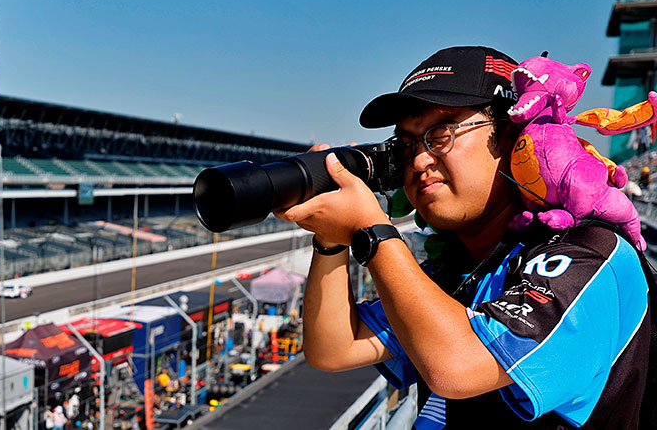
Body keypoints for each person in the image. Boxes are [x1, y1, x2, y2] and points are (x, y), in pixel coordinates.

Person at [276, 46, 651, 428]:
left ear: (511, 136)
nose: (420, 160)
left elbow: (459, 368)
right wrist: (331, 239)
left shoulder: (591, 254)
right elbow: (334, 348)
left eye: (441, 134)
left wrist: (373, 230)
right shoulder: (458, 266)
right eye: (407, 144)